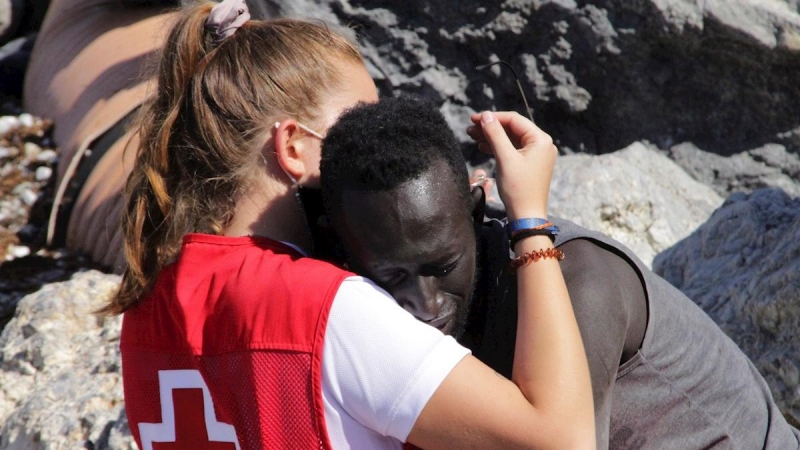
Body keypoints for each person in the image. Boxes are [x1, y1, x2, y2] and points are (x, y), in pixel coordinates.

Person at [102, 1, 596, 449]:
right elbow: (559, 440)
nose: (376, 140)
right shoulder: (330, 310)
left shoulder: (147, 306)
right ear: (293, 147)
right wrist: (530, 221)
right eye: (358, 121)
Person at [319, 96, 800, 449]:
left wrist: (528, 219)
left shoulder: (581, 283)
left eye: (443, 267)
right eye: (391, 276)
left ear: (475, 211)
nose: (425, 305)